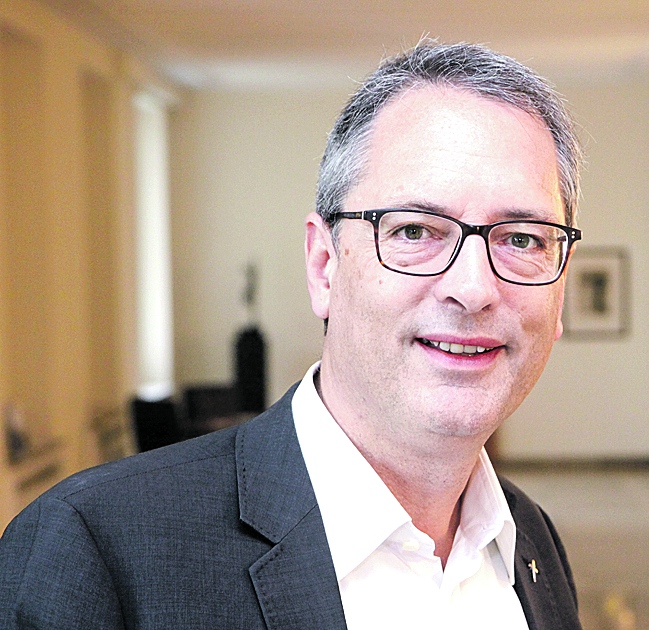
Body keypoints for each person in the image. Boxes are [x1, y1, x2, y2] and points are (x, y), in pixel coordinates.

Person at [0, 41, 584, 629]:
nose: (474, 288)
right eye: (414, 230)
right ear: (324, 266)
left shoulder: (530, 540)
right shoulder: (92, 551)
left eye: (523, 239)